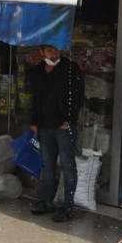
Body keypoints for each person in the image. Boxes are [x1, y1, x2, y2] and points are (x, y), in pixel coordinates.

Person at [28, 44, 84, 222]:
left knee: (68, 166)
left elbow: (77, 97)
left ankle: (67, 206)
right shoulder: (38, 71)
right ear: (42, 52)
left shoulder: (69, 68)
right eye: (50, 51)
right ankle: (47, 201)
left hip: (63, 127)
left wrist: (68, 120)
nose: (53, 54)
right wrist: (34, 123)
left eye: (56, 50)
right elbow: (36, 99)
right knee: (48, 166)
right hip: (45, 126)